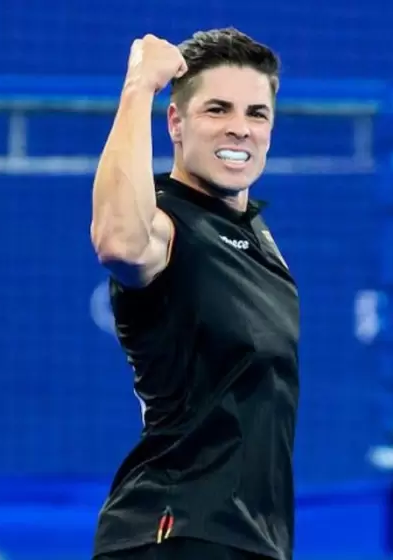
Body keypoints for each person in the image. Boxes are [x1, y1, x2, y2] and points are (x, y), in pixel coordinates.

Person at [90, 27, 300, 560]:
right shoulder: (166, 220)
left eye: (257, 113)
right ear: (176, 123)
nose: (240, 129)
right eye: (217, 110)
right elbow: (119, 239)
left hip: (250, 541)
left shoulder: (259, 238)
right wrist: (139, 87)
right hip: (174, 530)